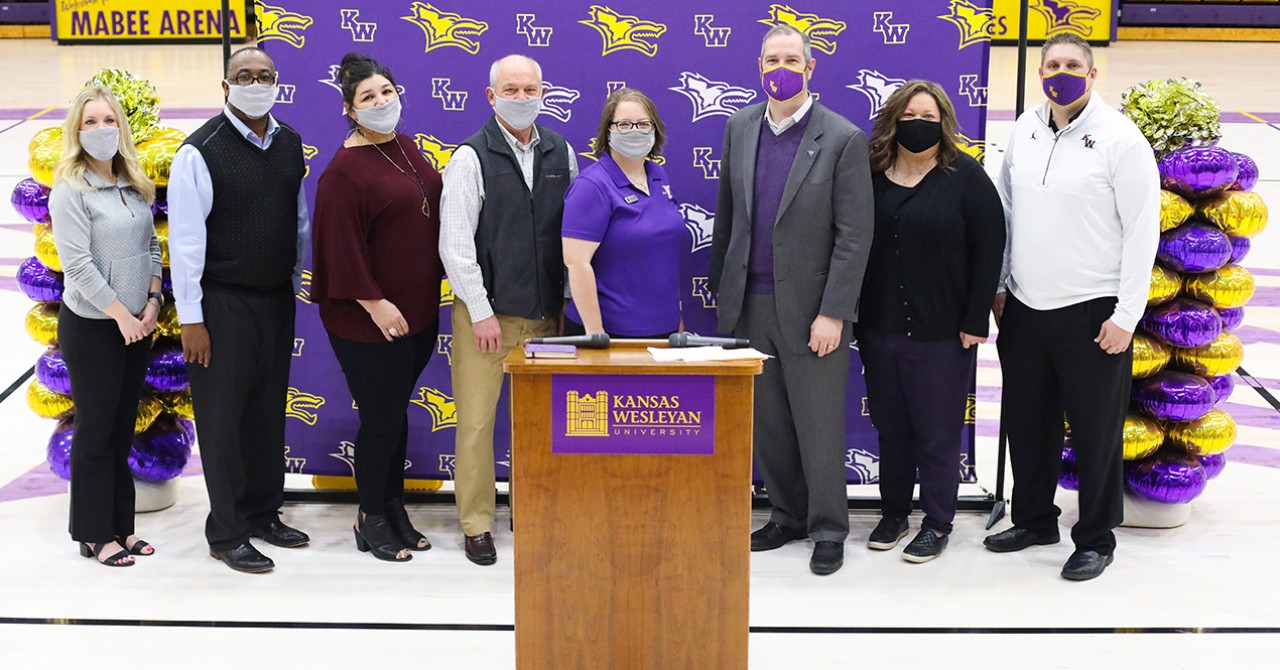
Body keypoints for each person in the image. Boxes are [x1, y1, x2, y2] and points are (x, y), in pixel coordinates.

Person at [986, 33, 1159, 581]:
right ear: (1039, 73)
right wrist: (1000, 285)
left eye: (1072, 65)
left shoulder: (1120, 139)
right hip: (1025, 307)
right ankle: (1035, 520)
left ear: (1092, 73)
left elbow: (1142, 231)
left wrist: (1127, 315)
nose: (1061, 73)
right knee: (1027, 425)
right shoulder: (1025, 128)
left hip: (1093, 312)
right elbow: (1006, 211)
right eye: (1052, 65)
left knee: (1094, 433)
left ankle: (1096, 539)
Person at [708, 24, 874, 575]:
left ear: (809, 67)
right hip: (750, 304)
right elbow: (728, 217)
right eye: (772, 59)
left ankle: (828, 528)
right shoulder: (739, 127)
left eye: (791, 60)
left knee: (819, 423)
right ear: (760, 67)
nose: (781, 68)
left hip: (812, 312)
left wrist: (834, 312)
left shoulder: (842, 137)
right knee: (770, 422)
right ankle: (788, 514)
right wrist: (725, 299)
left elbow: (854, 237)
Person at [169, 46, 312, 574]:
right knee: (223, 420)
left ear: (277, 83)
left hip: (274, 298)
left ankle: (262, 513)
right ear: (226, 87)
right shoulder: (200, 151)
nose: (256, 84)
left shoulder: (289, 141)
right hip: (220, 302)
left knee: (265, 414)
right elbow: (185, 242)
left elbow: (298, 219)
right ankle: (227, 532)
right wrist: (191, 318)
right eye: (244, 76)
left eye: (265, 76)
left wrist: (292, 283)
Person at [440, 54, 579, 566]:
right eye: (511, 90)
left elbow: (572, 236)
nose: (522, 98)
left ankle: (532, 508)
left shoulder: (561, 151)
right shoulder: (470, 158)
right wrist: (480, 312)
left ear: (543, 93)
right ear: (491, 96)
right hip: (486, 319)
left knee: (538, 425)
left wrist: (565, 303)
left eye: (530, 89)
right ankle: (477, 524)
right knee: (477, 426)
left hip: (545, 320)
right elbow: (456, 246)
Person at [858, 81, 1005, 563]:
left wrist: (975, 319)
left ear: (944, 123)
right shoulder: (872, 172)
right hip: (880, 328)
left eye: (928, 117)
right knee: (891, 428)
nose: (918, 125)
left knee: (938, 434)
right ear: (893, 120)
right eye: (909, 116)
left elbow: (990, 248)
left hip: (944, 333)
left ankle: (937, 523)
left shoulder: (966, 176)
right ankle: (894, 513)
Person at [311, 53, 444, 563]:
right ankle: (369, 516)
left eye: (387, 91)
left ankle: (393, 506)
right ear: (350, 109)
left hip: (417, 313)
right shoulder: (343, 173)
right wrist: (377, 304)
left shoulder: (404, 146)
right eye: (368, 96)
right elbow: (338, 250)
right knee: (381, 420)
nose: (381, 101)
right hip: (370, 321)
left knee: (394, 416)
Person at [49, 85, 162, 567]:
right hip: (95, 327)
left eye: (109, 120)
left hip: (137, 324)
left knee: (121, 431)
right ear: (76, 131)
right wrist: (121, 316)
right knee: (96, 432)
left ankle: (121, 526)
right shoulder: (70, 190)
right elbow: (77, 267)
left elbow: (151, 246)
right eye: (90, 122)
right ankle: (94, 533)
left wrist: (153, 300)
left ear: (121, 126)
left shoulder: (131, 182)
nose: (101, 129)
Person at [562, 88, 681, 339]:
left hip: (665, 330)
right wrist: (595, 334)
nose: (635, 131)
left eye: (643, 124)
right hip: (611, 334)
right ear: (608, 131)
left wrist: (676, 319)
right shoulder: (591, 186)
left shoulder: (658, 175)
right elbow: (577, 263)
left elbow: (663, 254)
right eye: (624, 124)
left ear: (655, 130)